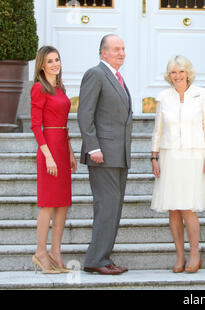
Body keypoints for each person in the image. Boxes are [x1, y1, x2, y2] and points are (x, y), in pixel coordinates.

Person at [151, 55, 205, 273]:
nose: (177, 76)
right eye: (173, 72)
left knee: (188, 208)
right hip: (170, 156)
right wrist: (154, 157)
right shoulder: (163, 97)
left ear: (188, 73)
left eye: (181, 71)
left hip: (194, 156)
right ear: (169, 75)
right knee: (173, 210)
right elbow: (158, 130)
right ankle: (180, 256)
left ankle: (195, 254)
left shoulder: (201, 95)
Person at [78, 34, 133, 275]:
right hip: (103, 154)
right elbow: (85, 113)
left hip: (118, 155)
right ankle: (96, 260)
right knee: (106, 206)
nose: (121, 53)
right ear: (103, 53)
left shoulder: (117, 77)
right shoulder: (96, 74)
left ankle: (102, 257)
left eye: (123, 49)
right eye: (116, 49)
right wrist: (93, 147)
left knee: (114, 207)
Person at [30, 46, 77, 274]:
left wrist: (69, 152)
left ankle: (55, 251)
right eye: (50, 61)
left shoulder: (61, 88)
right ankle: (40, 252)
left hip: (61, 146)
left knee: (62, 204)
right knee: (48, 204)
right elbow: (35, 125)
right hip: (48, 149)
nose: (55, 64)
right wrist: (48, 155)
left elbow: (64, 124)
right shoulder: (39, 89)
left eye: (57, 59)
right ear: (41, 65)